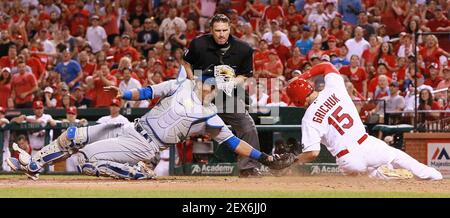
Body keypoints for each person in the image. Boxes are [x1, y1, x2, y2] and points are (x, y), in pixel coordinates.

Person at [7, 66, 294, 180]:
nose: (211, 84)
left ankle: (139, 173)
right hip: (131, 127)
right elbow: (149, 91)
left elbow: (233, 142)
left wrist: (264, 158)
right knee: (72, 134)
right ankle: (34, 164)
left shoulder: (210, 115)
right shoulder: (181, 85)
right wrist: (125, 94)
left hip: (145, 145)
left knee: (86, 161)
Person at [286, 62, 442, 180]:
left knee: (369, 182)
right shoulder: (334, 88)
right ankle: (432, 176)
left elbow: (312, 153)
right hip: (366, 144)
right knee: (397, 157)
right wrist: (302, 76)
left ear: (298, 100)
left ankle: (388, 175)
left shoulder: (308, 119)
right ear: (309, 87)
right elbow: (326, 65)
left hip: (347, 159)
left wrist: (292, 162)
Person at [182, 14, 263, 177]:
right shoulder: (198, 43)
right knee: (177, 125)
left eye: (225, 30)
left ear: (230, 29)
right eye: (217, 30)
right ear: (211, 30)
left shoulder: (243, 48)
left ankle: (248, 168)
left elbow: (245, 74)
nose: (221, 34)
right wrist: (192, 79)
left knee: (248, 127)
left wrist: (232, 82)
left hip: (226, 98)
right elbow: (186, 62)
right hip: (200, 96)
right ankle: (151, 160)